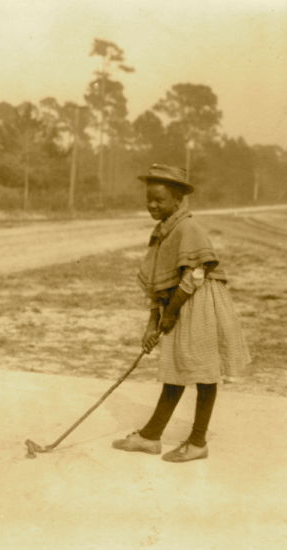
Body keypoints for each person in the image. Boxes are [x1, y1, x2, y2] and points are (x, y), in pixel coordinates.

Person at [112, 164, 251, 462]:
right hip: (177, 301)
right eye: (149, 198)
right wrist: (152, 323)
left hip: (199, 302)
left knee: (203, 371)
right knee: (175, 368)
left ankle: (198, 441)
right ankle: (151, 436)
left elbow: (196, 275)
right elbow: (156, 285)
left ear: (178, 201)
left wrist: (171, 313)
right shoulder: (162, 232)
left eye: (159, 200)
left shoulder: (189, 228)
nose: (152, 204)